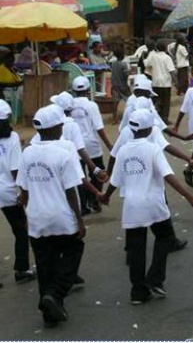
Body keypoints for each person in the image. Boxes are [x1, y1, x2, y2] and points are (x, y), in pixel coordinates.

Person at [100, 109, 193, 305]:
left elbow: (115, 181)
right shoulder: (153, 149)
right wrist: (189, 196)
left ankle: (137, 292)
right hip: (153, 203)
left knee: (136, 249)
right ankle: (154, 278)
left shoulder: (124, 151)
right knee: (166, 238)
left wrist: (105, 196)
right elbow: (168, 176)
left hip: (131, 205)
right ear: (148, 130)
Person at [16, 106, 86, 328]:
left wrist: (27, 214)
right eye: (61, 125)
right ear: (55, 127)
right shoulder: (63, 154)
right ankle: (55, 295)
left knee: (45, 263)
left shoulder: (27, 153)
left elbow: (23, 191)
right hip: (61, 216)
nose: (62, 127)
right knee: (74, 250)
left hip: (37, 217)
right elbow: (70, 191)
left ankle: (49, 313)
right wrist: (79, 219)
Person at [0, 100, 37, 286]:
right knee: (21, 231)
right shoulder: (11, 137)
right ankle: (21, 270)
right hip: (8, 191)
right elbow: (16, 169)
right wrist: (25, 192)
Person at [70, 76, 113, 214]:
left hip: (75, 146)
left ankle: (83, 206)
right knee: (98, 173)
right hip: (91, 146)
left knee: (79, 176)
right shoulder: (92, 105)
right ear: (89, 90)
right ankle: (94, 199)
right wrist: (108, 144)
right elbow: (99, 127)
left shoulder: (69, 105)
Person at [144, 40, 177, 124]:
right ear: (165, 48)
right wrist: (176, 82)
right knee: (166, 102)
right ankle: (165, 119)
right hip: (166, 83)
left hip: (155, 82)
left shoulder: (153, 56)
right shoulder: (167, 57)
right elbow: (172, 71)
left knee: (157, 101)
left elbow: (146, 64)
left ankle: (156, 118)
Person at [110, 46, 131, 121]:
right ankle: (131, 115)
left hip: (115, 85)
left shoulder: (113, 64)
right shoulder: (123, 65)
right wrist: (130, 71)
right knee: (130, 100)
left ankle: (114, 118)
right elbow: (126, 74)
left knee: (115, 102)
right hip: (123, 86)